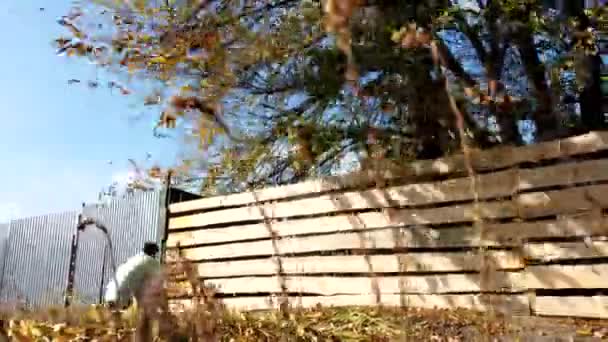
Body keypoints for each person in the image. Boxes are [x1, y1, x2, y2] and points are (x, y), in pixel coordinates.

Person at [104, 242, 162, 309]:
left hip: (109, 294)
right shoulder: (150, 261)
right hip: (120, 299)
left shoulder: (134, 259)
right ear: (153, 253)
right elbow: (161, 278)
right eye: (155, 253)